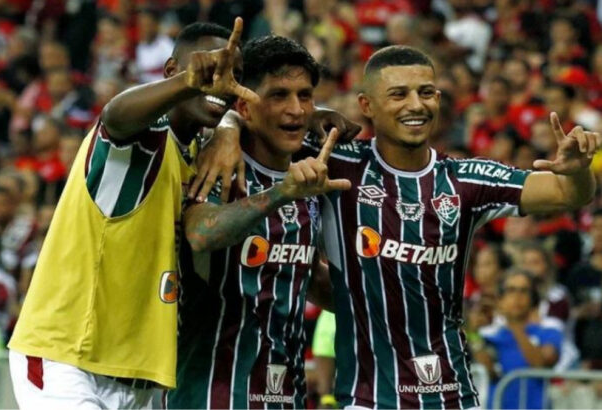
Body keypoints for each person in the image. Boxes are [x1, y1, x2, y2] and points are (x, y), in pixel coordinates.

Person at [217, 44, 600, 409]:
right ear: (367, 105)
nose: (416, 105)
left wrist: (579, 172)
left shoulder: (467, 179)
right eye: (398, 94)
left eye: (427, 92)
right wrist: (229, 127)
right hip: (366, 398)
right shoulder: (335, 164)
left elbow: (568, 192)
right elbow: (264, 118)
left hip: (454, 396)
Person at [7, 19, 260, 409]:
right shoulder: (143, 136)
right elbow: (115, 116)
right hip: (68, 359)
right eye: (208, 66)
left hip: (139, 375)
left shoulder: (197, 153)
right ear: (172, 71)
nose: (220, 80)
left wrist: (230, 125)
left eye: (233, 74)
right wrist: (191, 83)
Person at [167, 35, 350, 409]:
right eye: (279, 95)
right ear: (246, 108)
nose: (297, 110)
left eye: (305, 96)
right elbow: (200, 233)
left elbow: (304, 274)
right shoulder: (220, 161)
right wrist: (280, 193)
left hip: (287, 394)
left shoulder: (310, 174)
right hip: (210, 394)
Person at [476, 270, 562, 409]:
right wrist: (472, 332)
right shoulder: (490, 338)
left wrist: (514, 324)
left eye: (524, 291)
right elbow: (488, 372)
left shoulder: (549, 333)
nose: (517, 296)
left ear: (533, 298)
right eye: (511, 290)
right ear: (500, 299)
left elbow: (540, 364)